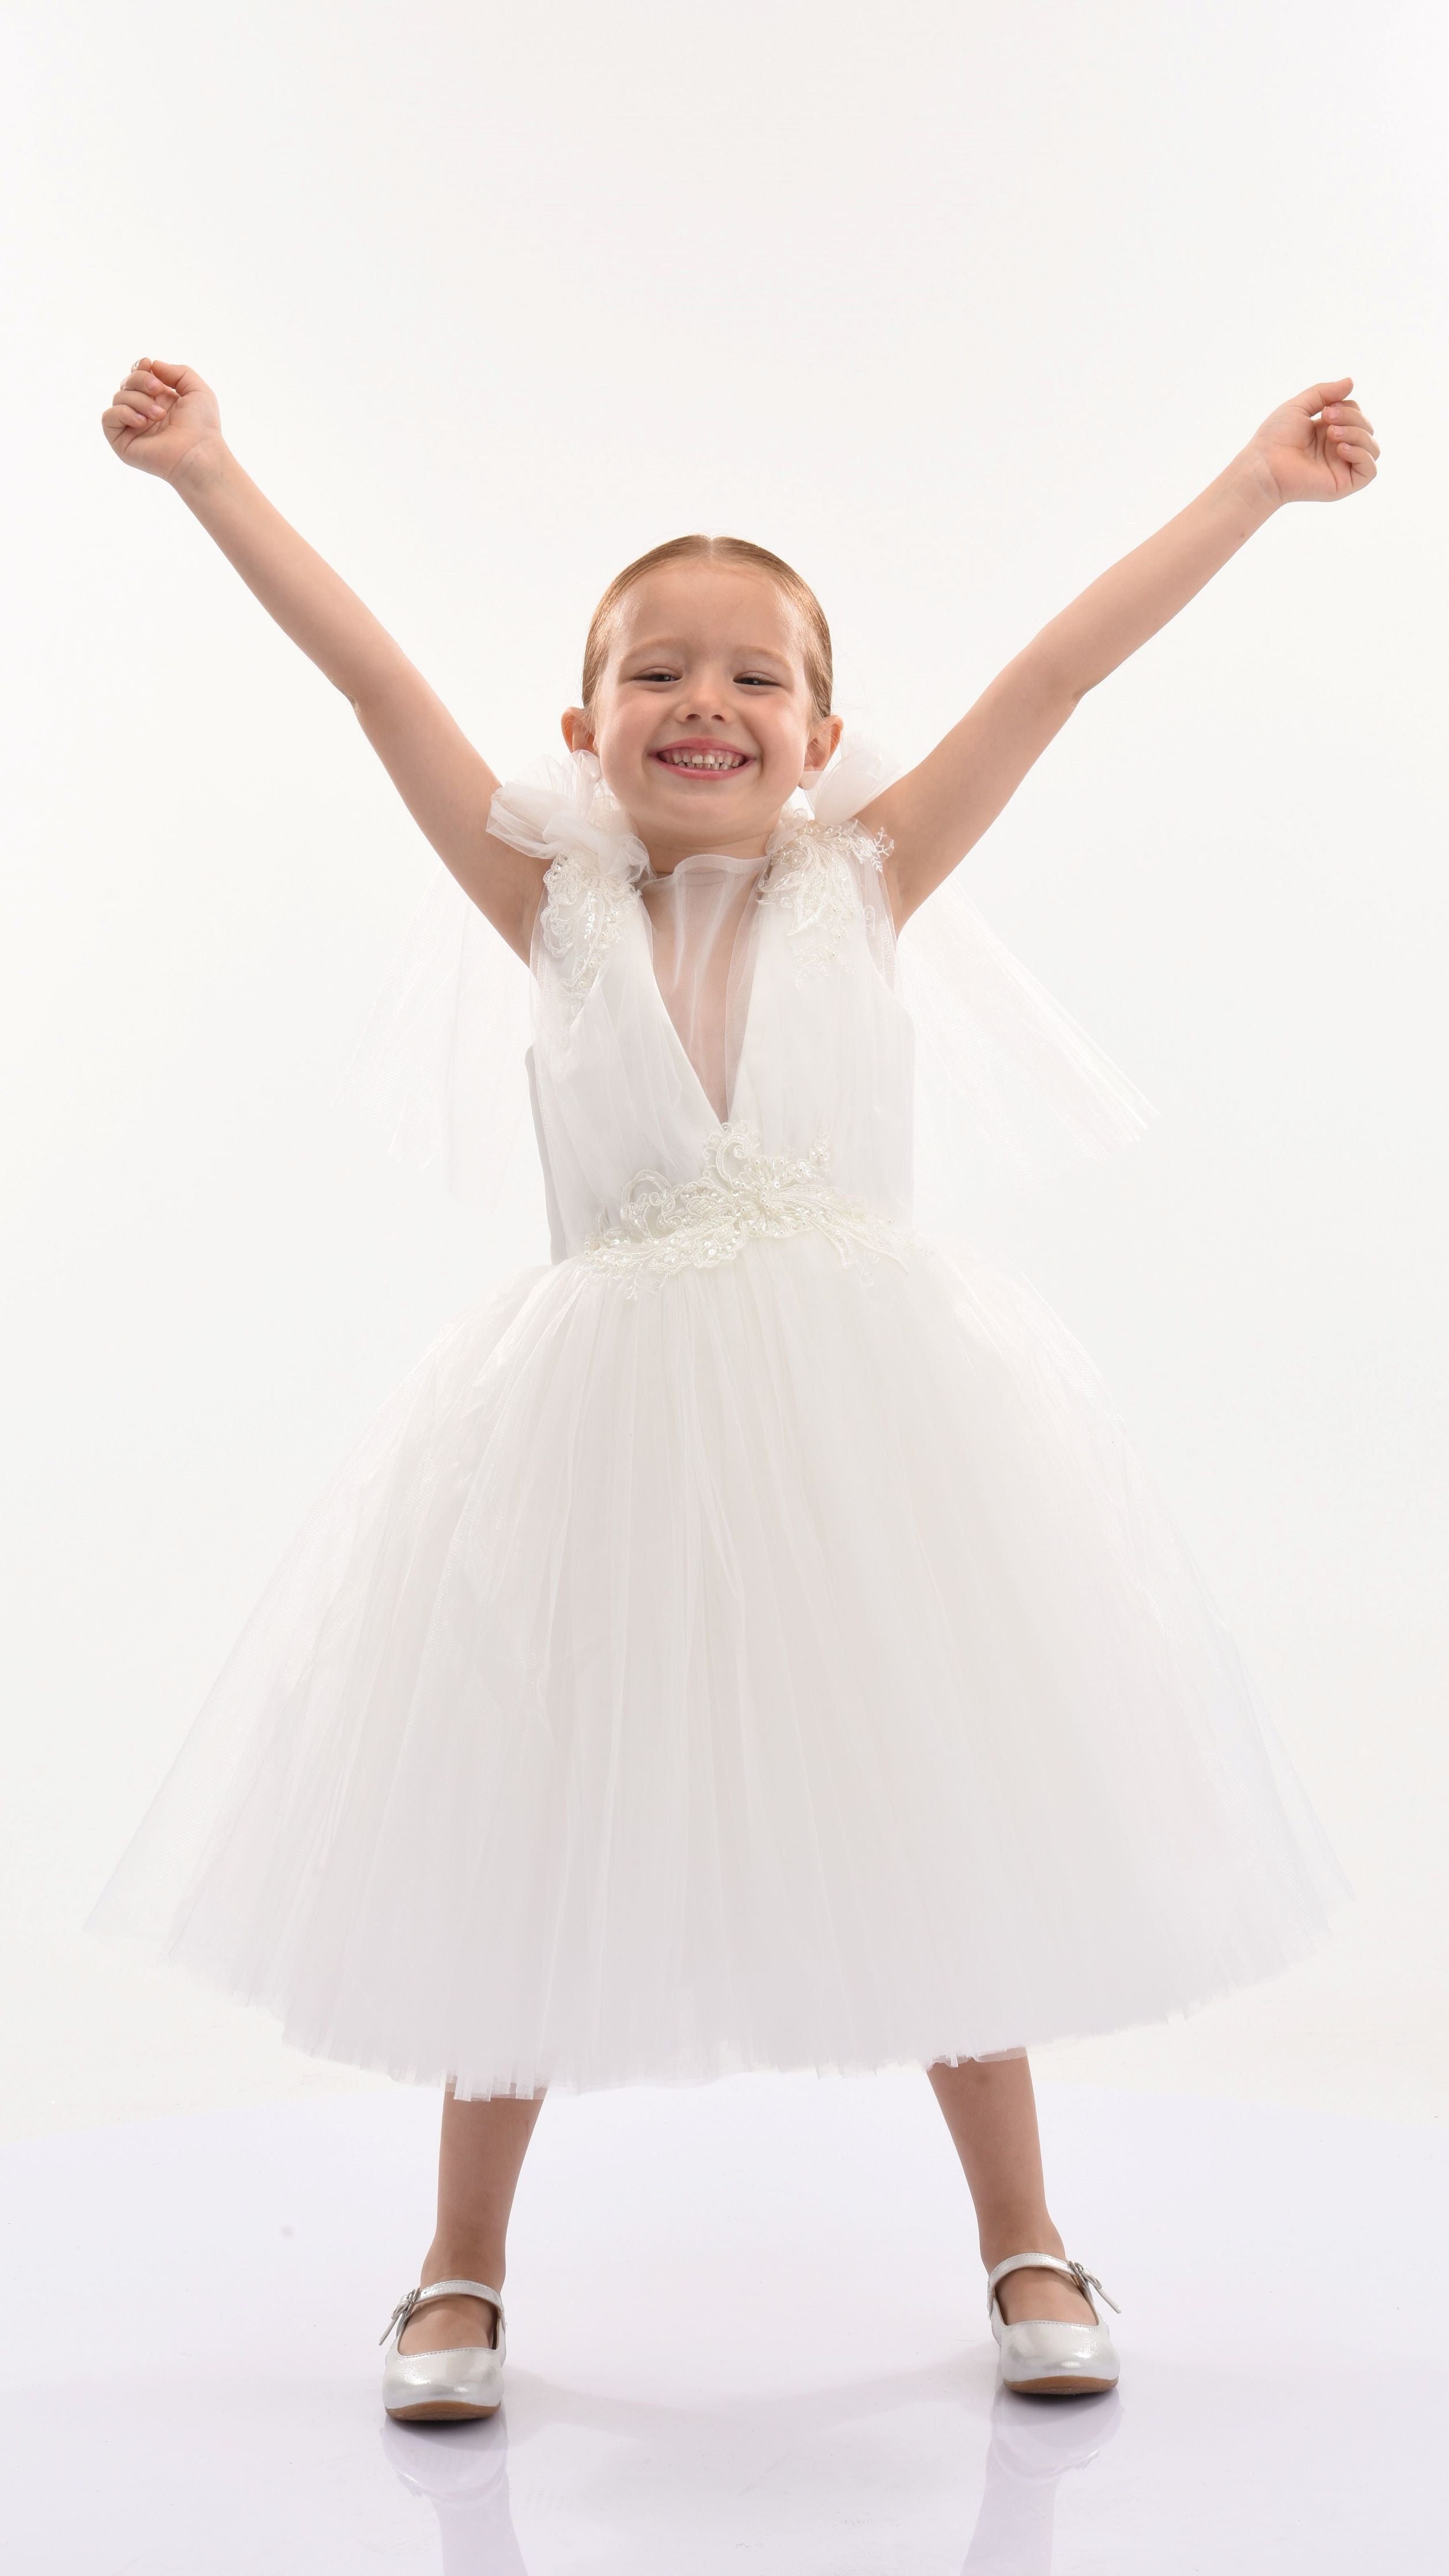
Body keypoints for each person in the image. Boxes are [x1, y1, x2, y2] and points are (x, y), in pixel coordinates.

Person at [93, 356, 1376, 2410]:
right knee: (527, 1799)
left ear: (824, 735)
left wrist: (1247, 485)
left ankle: (1027, 2236)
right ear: (583, 727)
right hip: (594, 1425)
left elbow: (1052, 678)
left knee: (932, 1785)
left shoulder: (866, 885)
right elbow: (369, 689)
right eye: (658, 672)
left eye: (758, 678)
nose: (709, 701)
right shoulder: (548, 905)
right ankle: (455, 2267)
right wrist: (210, 474)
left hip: (869, 1427)